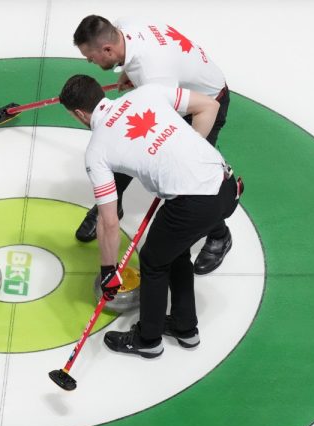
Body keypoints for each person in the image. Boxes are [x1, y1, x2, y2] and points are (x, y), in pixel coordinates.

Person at [58, 75, 242, 358]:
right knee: (175, 252)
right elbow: (209, 106)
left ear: (80, 114)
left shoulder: (97, 151)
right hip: (227, 185)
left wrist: (109, 271)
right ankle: (185, 329)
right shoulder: (146, 93)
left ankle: (148, 339)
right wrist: (185, 155)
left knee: (152, 261)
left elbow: (108, 221)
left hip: (194, 203)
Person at [72, 15, 232, 275]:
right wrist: (128, 72)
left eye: (92, 58)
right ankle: (113, 205)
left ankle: (219, 235)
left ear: (108, 49)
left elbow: (161, 115)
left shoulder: (154, 74)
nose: (91, 63)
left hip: (205, 106)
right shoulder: (126, 28)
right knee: (123, 144)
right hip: (178, 91)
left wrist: (142, 80)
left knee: (194, 183)